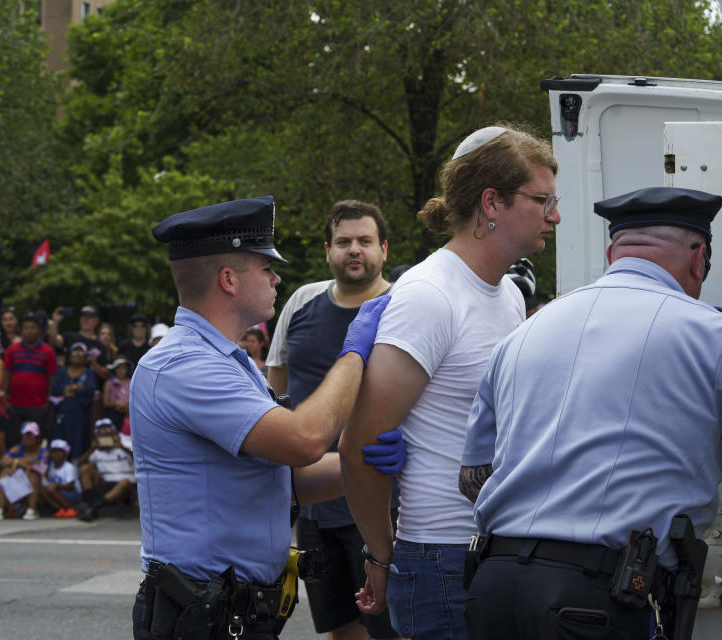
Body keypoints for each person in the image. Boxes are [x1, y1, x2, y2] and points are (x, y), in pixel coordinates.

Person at [457, 187, 722, 640]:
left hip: (493, 589)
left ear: (612, 253)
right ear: (699, 257)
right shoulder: (718, 337)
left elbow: (474, 475)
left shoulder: (523, 334)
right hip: (597, 599)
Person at [129, 195, 399, 640]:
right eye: (265, 267)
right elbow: (306, 439)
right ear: (229, 279)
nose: (277, 277)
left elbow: (288, 480)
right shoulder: (185, 366)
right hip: (202, 614)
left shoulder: (227, 362)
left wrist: (371, 459)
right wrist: (355, 350)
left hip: (232, 611)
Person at [339, 124, 560, 640]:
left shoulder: (505, 293)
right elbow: (359, 444)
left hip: (493, 548)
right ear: (492, 203)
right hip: (439, 557)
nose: (554, 215)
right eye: (542, 200)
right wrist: (380, 552)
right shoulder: (430, 295)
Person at [266, 200, 401, 640]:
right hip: (313, 506)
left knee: (394, 629)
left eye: (365, 241)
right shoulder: (302, 301)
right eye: (343, 242)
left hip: (386, 500)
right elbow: (276, 391)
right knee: (341, 630)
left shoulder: (406, 305)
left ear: (383, 248)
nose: (354, 250)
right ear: (328, 250)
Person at [3, 313, 57, 447]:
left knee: (36, 442)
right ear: (21, 330)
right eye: (25, 328)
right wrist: (5, 398)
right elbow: (7, 374)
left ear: (39, 330)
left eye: (32, 327)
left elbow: (52, 377)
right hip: (15, 405)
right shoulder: (12, 349)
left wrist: (47, 401)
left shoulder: (48, 351)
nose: (28, 330)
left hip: (37, 406)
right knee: (13, 441)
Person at [77, 418, 135, 522]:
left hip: (125, 488)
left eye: (107, 432)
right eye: (101, 433)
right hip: (105, 485)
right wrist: (92, 449)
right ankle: (90, 506)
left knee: (125, 482)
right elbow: (79, 464)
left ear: (114, 432)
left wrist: (122, 447)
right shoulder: (96, 453)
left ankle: (93, 509)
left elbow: (139, 460)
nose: (105, 435)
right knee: (85, 468)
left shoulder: (126, 445)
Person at [51, 342, 100, 458]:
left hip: (79, 415)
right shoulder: (62, 371)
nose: (77, 355)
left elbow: (90, 389)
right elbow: (55, 389)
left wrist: (73, 390)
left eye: (80, 352)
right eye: (75, 351)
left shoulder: (89, 373)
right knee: (60, 439)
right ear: (70, 355)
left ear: (85, 356)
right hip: (61, 413)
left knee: (78, 442)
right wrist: (74, 389)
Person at [0, 421, 49, 521]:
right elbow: (2, 461)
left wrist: (18, 463)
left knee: (33, 474)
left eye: (30, 435)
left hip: (40, 486)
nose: (27, 439)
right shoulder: (17, 449)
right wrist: (19, 462)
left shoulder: (43, 450)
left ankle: (32, 510)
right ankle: (0, 509)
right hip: (19, 484)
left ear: (36, 437)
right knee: (5, 472)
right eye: (24, 435)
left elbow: (41, 467)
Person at [48, 305, 110, 380]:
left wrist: (94, 364)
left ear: (96, 321)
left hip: (89, 389)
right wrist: (55, 321)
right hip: (68, 385)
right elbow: (54, 340)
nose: (85, 320)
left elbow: (106, 375)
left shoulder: (100, 345)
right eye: (83, 316)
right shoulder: (70, 337)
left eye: (88, 317)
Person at [40, 438, 81, 518]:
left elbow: (70, 486)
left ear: (65, 454)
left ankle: (71, 509)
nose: (56, 454)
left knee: (51, 489)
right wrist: (44, 459)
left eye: (59, 452)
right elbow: (44, 477)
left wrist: (57, 485)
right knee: (42, 490)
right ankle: (61, 509)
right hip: (58, 492)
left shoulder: (68, 467)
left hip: (72, 493)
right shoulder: (50, 466)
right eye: (53, 452)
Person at [103, 357, 132, 430]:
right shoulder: (109, 383)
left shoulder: (131, 382)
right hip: (113, 415)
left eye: (123, 368)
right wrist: (115, 403)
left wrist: (125, 406)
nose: (121, 371)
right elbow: (105, 403)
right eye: (118, 368)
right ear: (115, 370)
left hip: (129, 415)